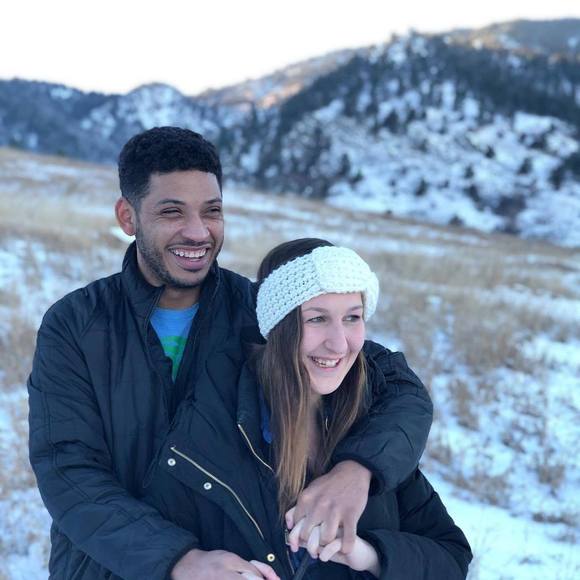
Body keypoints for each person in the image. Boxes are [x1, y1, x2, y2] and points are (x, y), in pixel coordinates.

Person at [28, 127, 433, 579]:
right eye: (172, 211)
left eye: (212, 211)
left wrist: (357, 470)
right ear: (128, 217)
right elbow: (68, 471)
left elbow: (395, 386)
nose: (197, 231)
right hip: (103, 568)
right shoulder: (76, 325)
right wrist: (178, 560)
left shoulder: (261, 312)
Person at [144, 238, 472, 580]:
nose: (339, 343)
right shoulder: (210, 431)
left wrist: (369, 554)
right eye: (316, 319)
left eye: (353, 317)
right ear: (277, 326)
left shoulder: (371, 422)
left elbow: (451, 557)